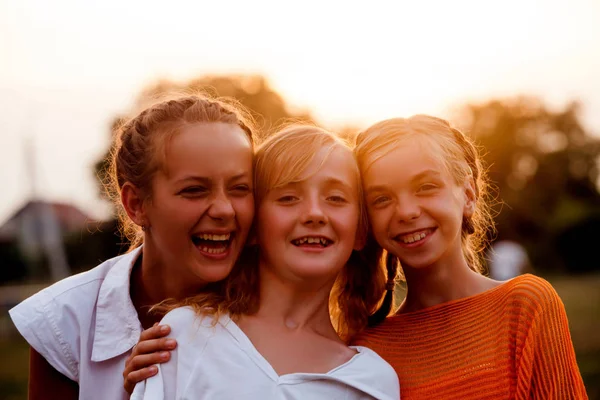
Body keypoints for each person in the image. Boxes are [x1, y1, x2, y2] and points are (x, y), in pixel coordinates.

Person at [8, 93, 257, 400]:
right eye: (194, 190)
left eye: (240, 188)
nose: (224, 209)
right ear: (136, 204)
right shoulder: (65, 322)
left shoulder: (281, 307)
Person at [130, 125, 400, 399]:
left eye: (335, 198)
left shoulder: (372, 381)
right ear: (254, 226)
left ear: (360, 231)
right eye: (288, 198)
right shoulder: (185, 334)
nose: (315, 214)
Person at [351, 115, 588, 399]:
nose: (406, 211)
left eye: (425, 187)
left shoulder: (525, 306)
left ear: (468, 194)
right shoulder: (365, 350)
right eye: (381, 199)